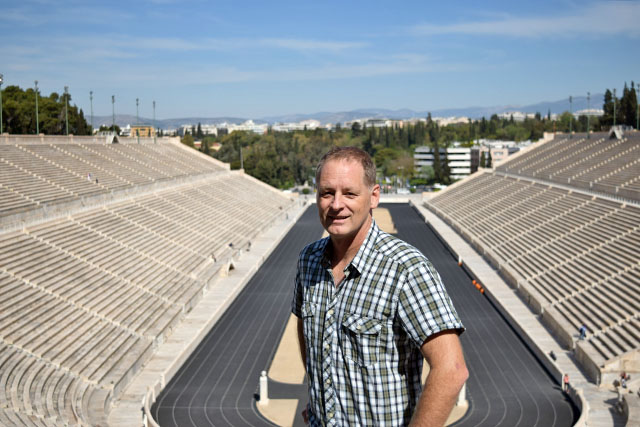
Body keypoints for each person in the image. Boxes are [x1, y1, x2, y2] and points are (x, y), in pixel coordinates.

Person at [292, 146, 468, 426]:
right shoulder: (308, 260)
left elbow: (451, 369)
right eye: (327, 193)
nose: (336, 204)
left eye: (349, 193)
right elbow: (307, 329)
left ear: (374, 196)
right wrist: (317, 401)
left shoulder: (406, 268)